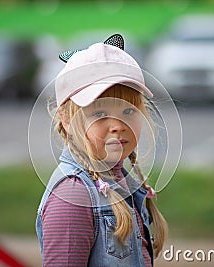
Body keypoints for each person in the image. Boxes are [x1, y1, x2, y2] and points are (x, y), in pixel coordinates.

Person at [36, 34, 168, 267]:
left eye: (128, 111)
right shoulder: (73, 198)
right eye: (99, 114)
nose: (118, 125)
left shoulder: (123, 182)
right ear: (67, 119)